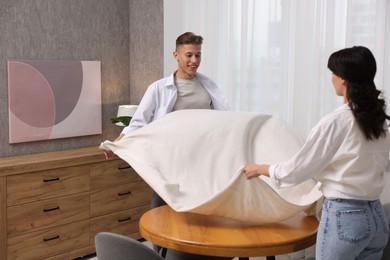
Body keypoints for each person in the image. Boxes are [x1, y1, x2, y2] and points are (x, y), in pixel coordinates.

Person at [243, 46, 390, 260]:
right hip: (376, 219)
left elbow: (298, 169)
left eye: (333, 73)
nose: (331, 78)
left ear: (344, 79)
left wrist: (263, 169)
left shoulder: (337, 122)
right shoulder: (380, 121)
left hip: (346, 218)